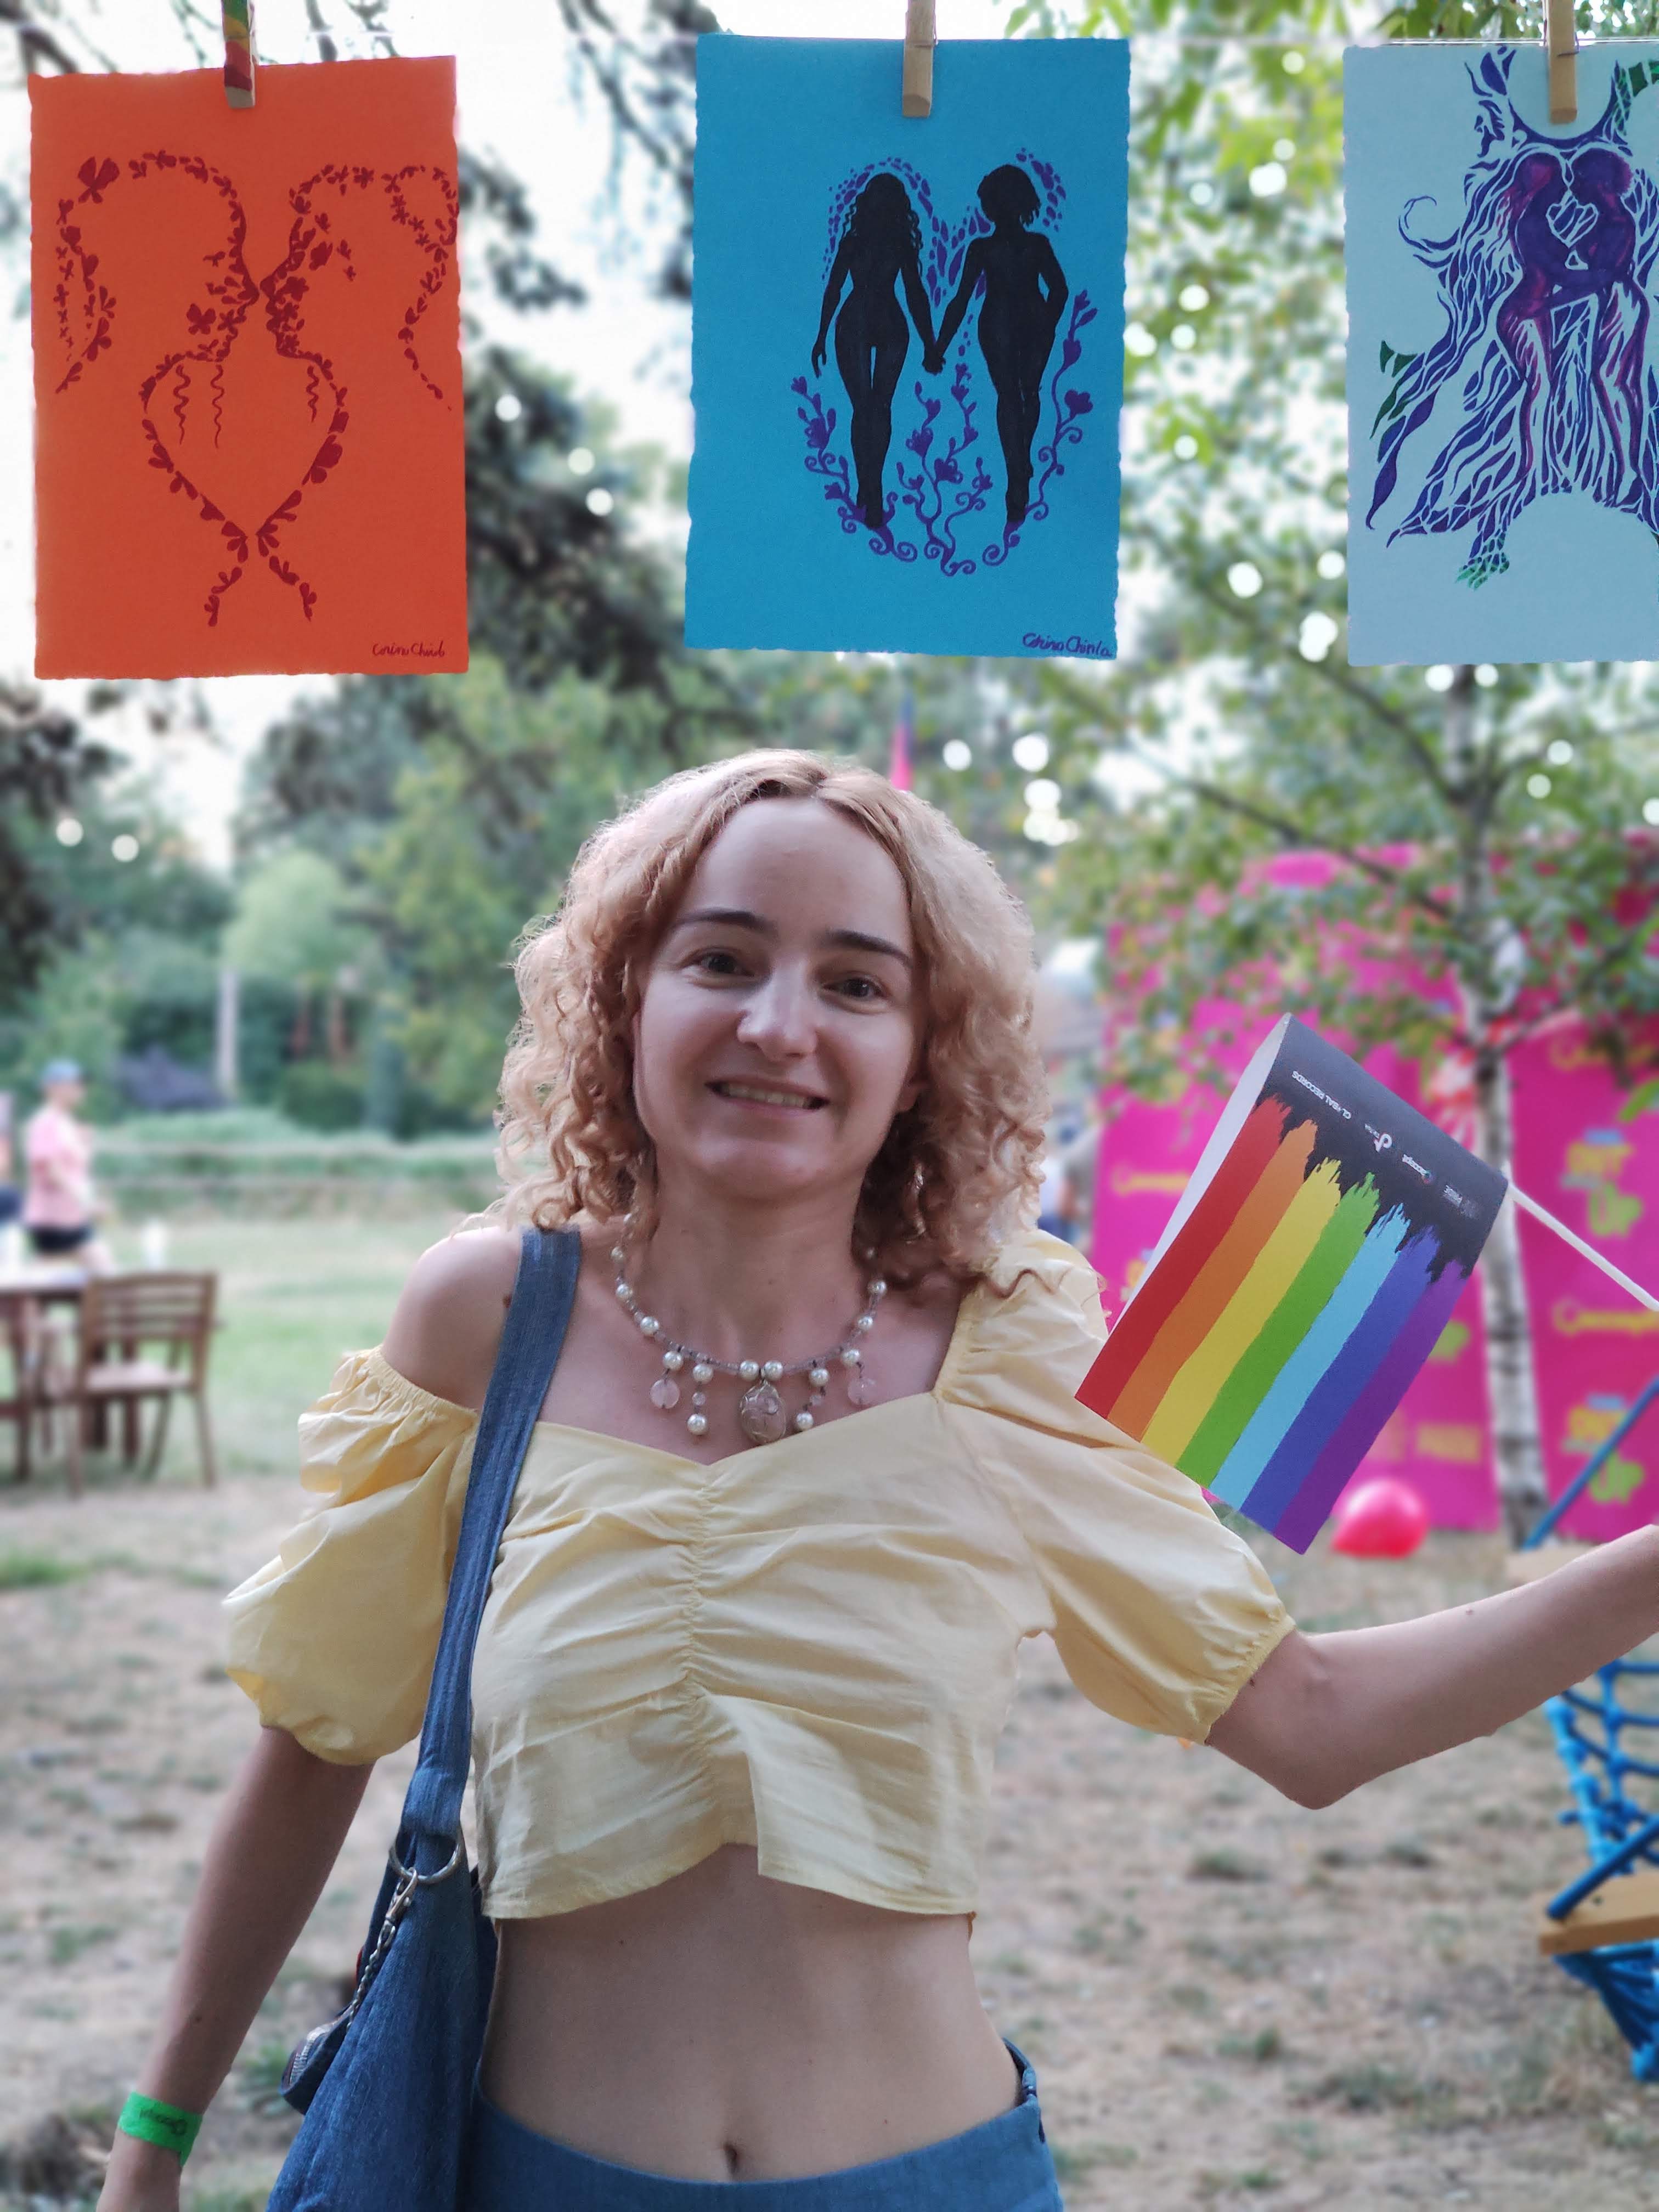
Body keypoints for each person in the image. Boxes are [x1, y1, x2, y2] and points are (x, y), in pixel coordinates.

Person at [99, 753, 1659, 2212]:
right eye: (722, 959)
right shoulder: (484, 1319)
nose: (782, 1024)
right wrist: (149, 2151)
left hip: (932, 2178)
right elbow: (314, 1746)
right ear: (627, 998)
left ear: (922, 1055)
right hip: (536, 2175)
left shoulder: (1013, 1350)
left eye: (857, 982)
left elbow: (1312, 1723)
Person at [925, 165, 1068, 527]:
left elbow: (961, 301)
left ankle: (1017, 470)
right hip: (1025, 321)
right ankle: (1019, 468)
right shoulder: (1032, 245)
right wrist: (1047, 323)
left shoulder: (986, 248)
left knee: (1013, 396)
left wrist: (939, 347)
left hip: (1004, 322)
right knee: (1026, 393)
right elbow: (1059, 291)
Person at [812, 173, 938, 533]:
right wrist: (929, 342)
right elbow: (913, 294)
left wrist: (822, 335)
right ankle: (871, 484)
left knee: (868, 407)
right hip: (882, 320)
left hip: (861, 320)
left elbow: (838, 290)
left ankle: (869, 483)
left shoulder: (860, 243)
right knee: (876, 407)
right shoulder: (892, 244)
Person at [23, 1059, 109, 1267]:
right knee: (103, 1270)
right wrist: (88, 1203)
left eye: (82, 1084)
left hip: (70, 1215)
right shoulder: (46, 1122)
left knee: (44, 1273)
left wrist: (86, 1145)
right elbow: (52, 1170)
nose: (81, 1089)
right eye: (74, 1084)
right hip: (55, 1217)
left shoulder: (66, 1122)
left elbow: (76, 1170)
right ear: (52, 1088)